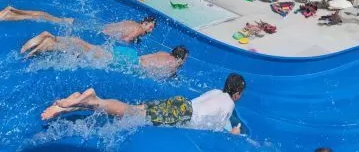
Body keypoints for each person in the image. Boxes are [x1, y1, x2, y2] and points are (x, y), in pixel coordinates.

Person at [40, 73, 246, 135]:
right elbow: (218, 129)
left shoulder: (216, 91)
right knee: (129, 114)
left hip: (179, 103)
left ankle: (78, 104)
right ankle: (93, 100)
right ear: (236, 93)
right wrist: (235, 131)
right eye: (241, 94)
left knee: (135, 109)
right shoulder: (229, 104)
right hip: (182, 114)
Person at [20, 31, 188, 77]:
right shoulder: (173, 64)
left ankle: (54, 43)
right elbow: (160, 74)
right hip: (127, 61)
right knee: (86, 47)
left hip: (129, 54)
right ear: (180, 59)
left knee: (88, 51)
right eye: (184, 61)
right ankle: (51, 39)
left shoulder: (162, 52)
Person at [0, 6, 73, 24]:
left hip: (3, 16)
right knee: (35, 14)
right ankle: (60, 20)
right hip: (3, 14)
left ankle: (60, 21)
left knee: (34, 16)